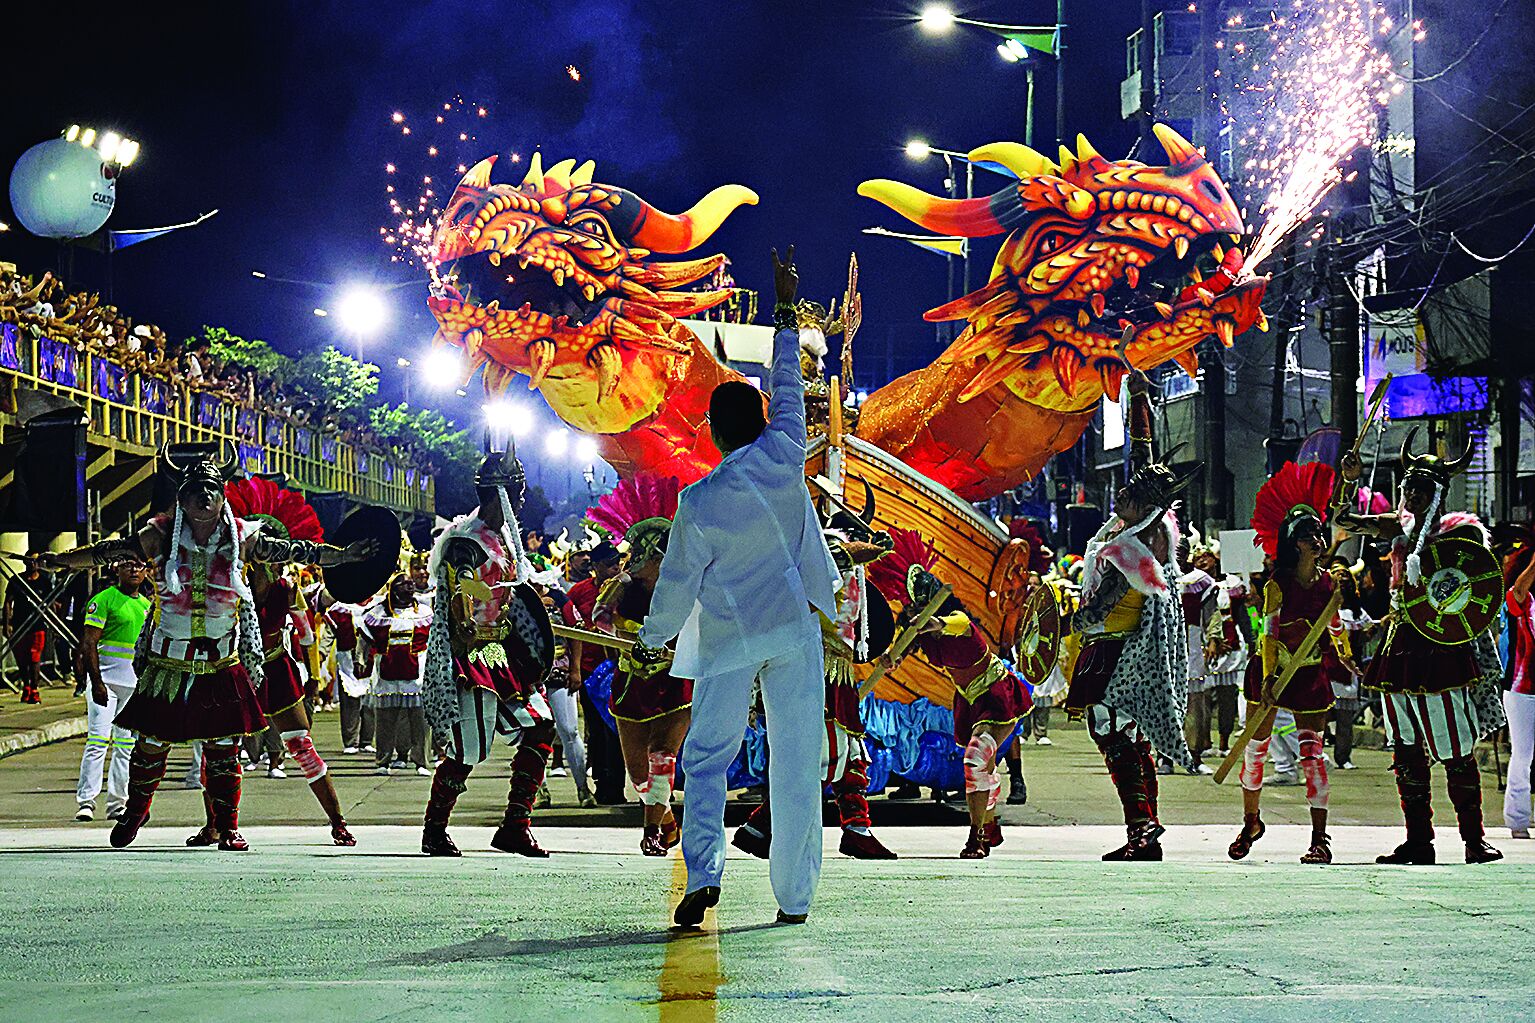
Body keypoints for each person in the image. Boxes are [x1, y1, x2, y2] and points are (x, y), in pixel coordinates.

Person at [637, 246, 839, 928]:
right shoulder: (785, 454)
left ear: (715, 435)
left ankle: (704, 872)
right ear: (757, 422)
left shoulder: (698, 500)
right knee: (793, 760)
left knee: (706, 760)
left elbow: (672, 586)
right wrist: (784, 306)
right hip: (791, 629)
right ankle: (795, 897)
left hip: (728, 642)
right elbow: (787, 385)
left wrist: (649, 639)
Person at [41, 445, 374, 850]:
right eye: (196, 490)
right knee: (149, 744)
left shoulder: (245, 538)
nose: (206, 497)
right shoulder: (159, 536)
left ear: (223, 497)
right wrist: (57, 562)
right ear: (181, 499)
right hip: (169, 661)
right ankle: (136, 811)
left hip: (221, 663)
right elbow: (106, 552)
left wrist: (347, 556)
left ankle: (227, 826)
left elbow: (301, 551)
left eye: (213, 490)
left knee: (223, 749)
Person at [1336, 431, 1506, 864]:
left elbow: (1473, 588)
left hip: (1442, 647)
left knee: (1456, 746)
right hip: (1399, 647)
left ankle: (1474, 839)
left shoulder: (1462, 533)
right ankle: (1418, 840)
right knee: (1406, 749)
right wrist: (1349, 480)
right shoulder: (1397, 526)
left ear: (1438, 493)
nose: (1411, 493)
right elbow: (1345, 519)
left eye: (1420, 487)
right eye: (1408, 485)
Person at [1062, 369, 1196, 861]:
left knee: (1116, 735)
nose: (1119, 493)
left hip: (1115, 651)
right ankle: (1147, 829)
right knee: (1132, 738)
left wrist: (1056, 619)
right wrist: (1139, 400)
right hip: (1125, 648)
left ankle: (1142, 829)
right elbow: (1142, 462)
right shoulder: (1151, 525)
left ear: (1143, 504)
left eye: (1128, 493)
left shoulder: (1131, 547)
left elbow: (1098, 607)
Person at [186, 479, 360, 847]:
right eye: (271, 554)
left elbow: (308, 632)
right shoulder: (227, 584)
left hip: (277, 670)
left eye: (280, 556)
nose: (278, 562)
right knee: (220, 752)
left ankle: (338, 822)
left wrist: (350, 559)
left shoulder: (286, 589)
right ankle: (215, 826)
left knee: (302, 746)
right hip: (233, 672)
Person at [734, 498, 899, 861]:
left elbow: (858, 618)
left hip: (838, 669)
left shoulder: (845, 559)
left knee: (851, 753)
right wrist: (864, 549)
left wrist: (873, 654)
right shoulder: (824, 549)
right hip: (813, 666)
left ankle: (856, 829)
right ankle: (763, 825)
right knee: (822, 755)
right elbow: (836, 558)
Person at [421, 449, 557, 858]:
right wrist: (501, 592)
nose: (519, 501)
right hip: (471, 656)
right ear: (498, 493)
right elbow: (462, 589)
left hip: (504, 654)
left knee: (541, 726)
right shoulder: (465, 542)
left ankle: (516, 825)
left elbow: (514, 602)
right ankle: (434, 829)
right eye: (516, 492)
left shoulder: (502, 541)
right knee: (467, 749)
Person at [872, 529, 1031, 858]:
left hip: (996, 693)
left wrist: (930, 624)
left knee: (974, 760)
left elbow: (950, 625)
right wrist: (890, 658)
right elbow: (897, 654)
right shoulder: (917, 629)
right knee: (981, 766)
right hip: (968, 700)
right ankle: (990, 824)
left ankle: (977, 837)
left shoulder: (956, 620)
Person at [1228, 461, 1357, 864]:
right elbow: (1268, 633)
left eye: (1318, 533)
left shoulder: (1331, 583)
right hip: (1273, 671)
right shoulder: (1277, 583)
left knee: (1313, 756)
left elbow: (1334, 627)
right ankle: (1251, 821)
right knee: (1255, 752)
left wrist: (1348, 658)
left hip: (1309, 674)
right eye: (1308, 535)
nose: (1317, 540)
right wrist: (1268, 677)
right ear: (1293, 542)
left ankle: (1320, 838)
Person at [594, 511, 693, 854]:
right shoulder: (622, 585)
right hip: (631, 681)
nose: (631, 556)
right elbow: (599, 619)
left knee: (663, 756)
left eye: (638, 550)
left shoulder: (685, 586)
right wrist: (634, 636)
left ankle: (650, 830)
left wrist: (674, 644)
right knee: (638, 773)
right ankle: (664, 819)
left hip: (675, 680)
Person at [73, 557, 151, 821]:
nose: (134, 570)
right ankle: (86, 801)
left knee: (126, 746)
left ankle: (118, 804)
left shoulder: (146, 606)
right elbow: (89, 643)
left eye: (139, 565)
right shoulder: (103, 599)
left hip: (132, 686)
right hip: (105, 683)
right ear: (116, 569)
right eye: (128, 565)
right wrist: (95, 682)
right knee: (97, 740)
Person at [561, 541, 624, 805]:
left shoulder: (626, 589)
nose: (615, 569)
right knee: (597, 731)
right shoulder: (578, 592)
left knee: (619, 730)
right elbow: (569, 630)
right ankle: (602, 781)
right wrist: (573, 669)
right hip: (588, 672)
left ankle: (618, 784)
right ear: (596, 567)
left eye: (617, 563)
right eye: (609, 565)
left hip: (621, 671)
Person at [361, 573, 432, 776]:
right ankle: (383, 761)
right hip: (386, 677)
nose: (410, 586)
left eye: (411, 583)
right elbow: (364, 640)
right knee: (385, 722)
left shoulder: (425, 613)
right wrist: (360, 659)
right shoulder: (377, 614)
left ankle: (420, 762)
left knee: (420, 722)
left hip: (417, 677)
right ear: (393, 589)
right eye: (404, 584)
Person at [1501, 544, 1535, 840]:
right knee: (1523, 754)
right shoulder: (1520, 599)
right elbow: (1518, 591)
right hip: (1522, 688)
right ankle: (1518, 820)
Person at [4, 553, 53, 704]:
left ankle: (34, 688)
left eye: (35, 561)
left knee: (34, 657)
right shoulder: (16, 580)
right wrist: (7, 624)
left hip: (37, 625)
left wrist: (53, 624)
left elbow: (52, 604)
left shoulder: (45, 582)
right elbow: (8, 602)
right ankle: (26, 686)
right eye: (29, 560)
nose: (32, 564)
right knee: (21, 658)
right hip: (19, 624)